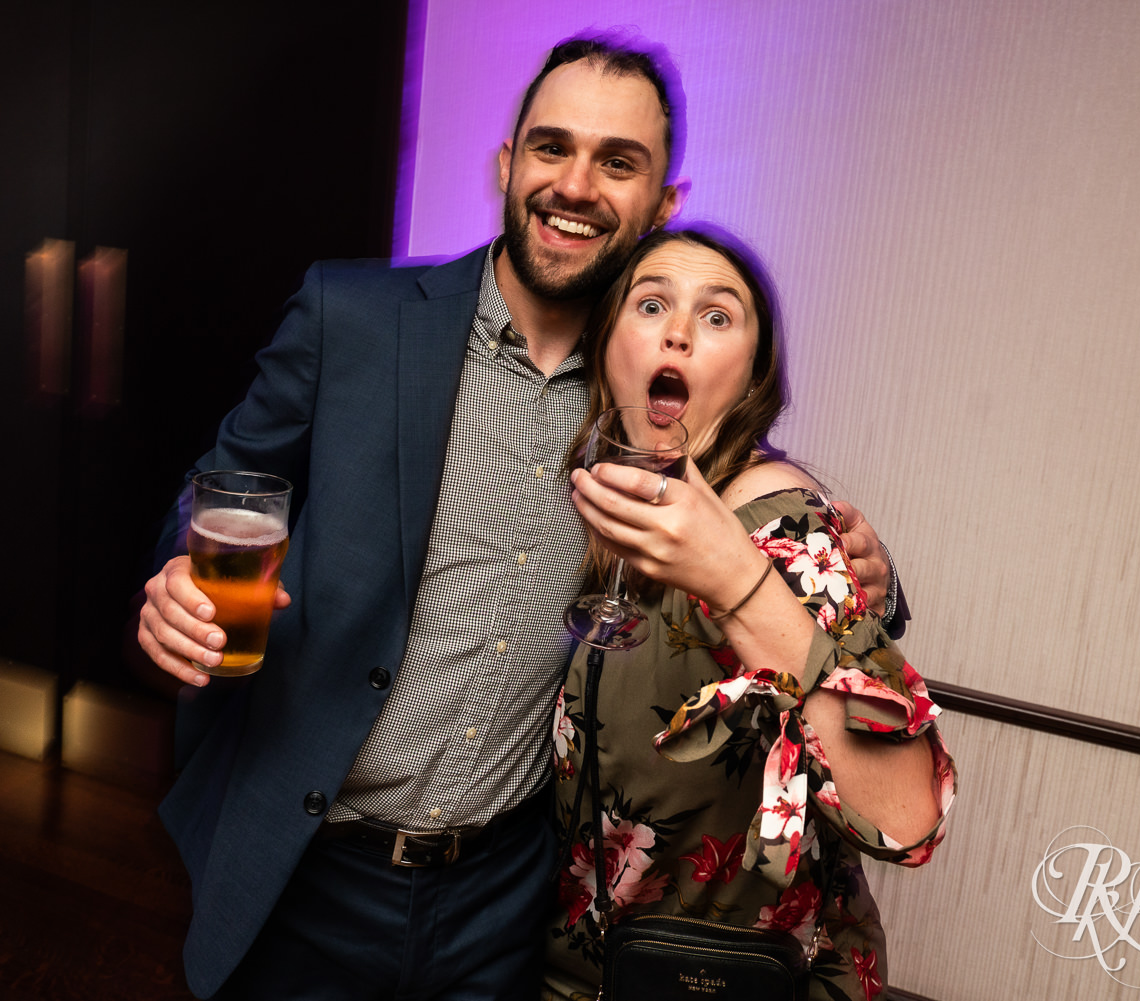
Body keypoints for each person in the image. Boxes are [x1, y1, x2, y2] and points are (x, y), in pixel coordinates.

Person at [136, 32, 902, 1001]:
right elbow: (224, 485)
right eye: (551, 148)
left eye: (617, 162)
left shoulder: (653, 392)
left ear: (664, 205)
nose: (575, 184)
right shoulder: (354, 316)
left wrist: (874, 564)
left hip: (505, 900)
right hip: (308, 863)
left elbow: (775, 513)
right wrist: (174, 582)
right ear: (508, 165)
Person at [543, 227, 956, 1001]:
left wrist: (740, 579)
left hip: (741, 983)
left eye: (718, 316)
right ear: (606, 347)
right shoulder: (609, 513)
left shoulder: (779, 521)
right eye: (652, 304)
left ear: (751, 376)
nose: (677, 330)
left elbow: (911, 816)